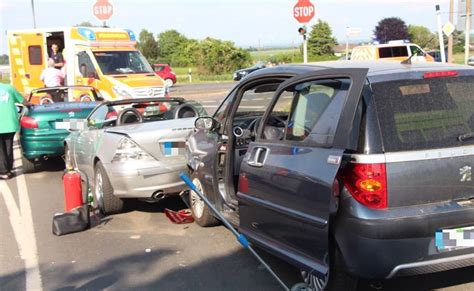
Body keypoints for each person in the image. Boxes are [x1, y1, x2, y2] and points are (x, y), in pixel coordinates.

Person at [0, 84, 30, 179]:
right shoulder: (9, 88)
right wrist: (31, 105)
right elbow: (23, 101)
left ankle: (4, 172)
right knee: (8, 146)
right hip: (10, 123)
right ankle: (9, 169)